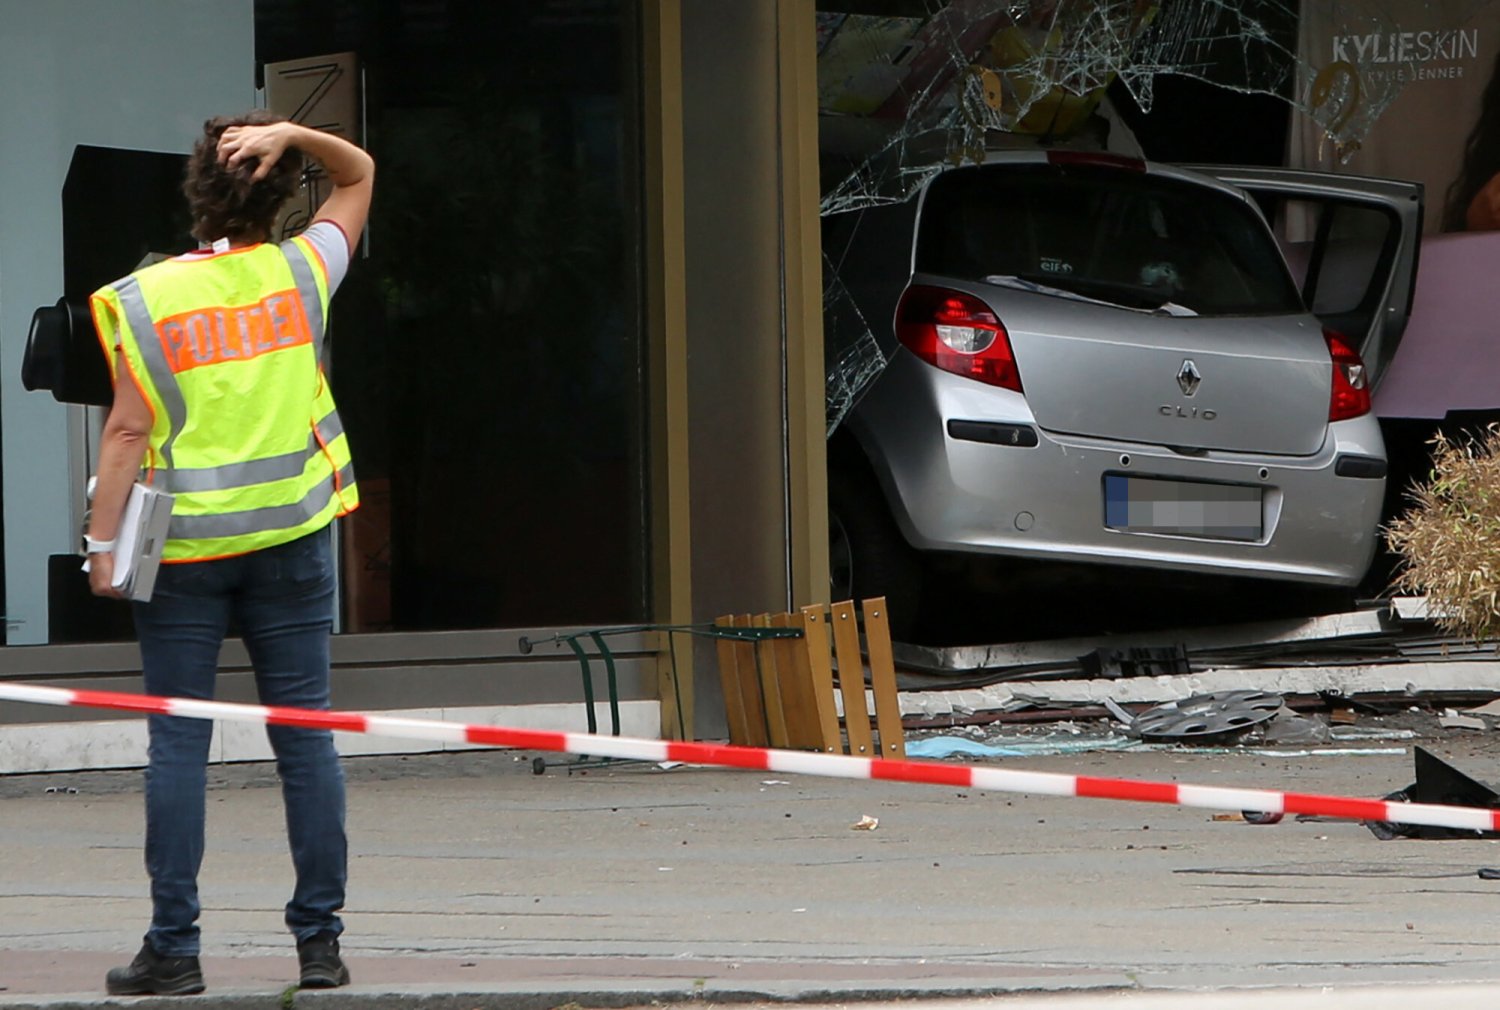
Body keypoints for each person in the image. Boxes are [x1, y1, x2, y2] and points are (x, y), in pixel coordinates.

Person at [84, 111, 374, 996]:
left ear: (195, 192)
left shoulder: (146, 299)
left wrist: (102, 546)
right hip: (291, 541)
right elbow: (358, 173)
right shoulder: (303, 269)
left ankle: (174, 949)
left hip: (184, 556)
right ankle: (319, 946)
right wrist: (294, 132)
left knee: (178, 743)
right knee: (306, 740)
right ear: (282, 193)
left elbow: (126, 432)